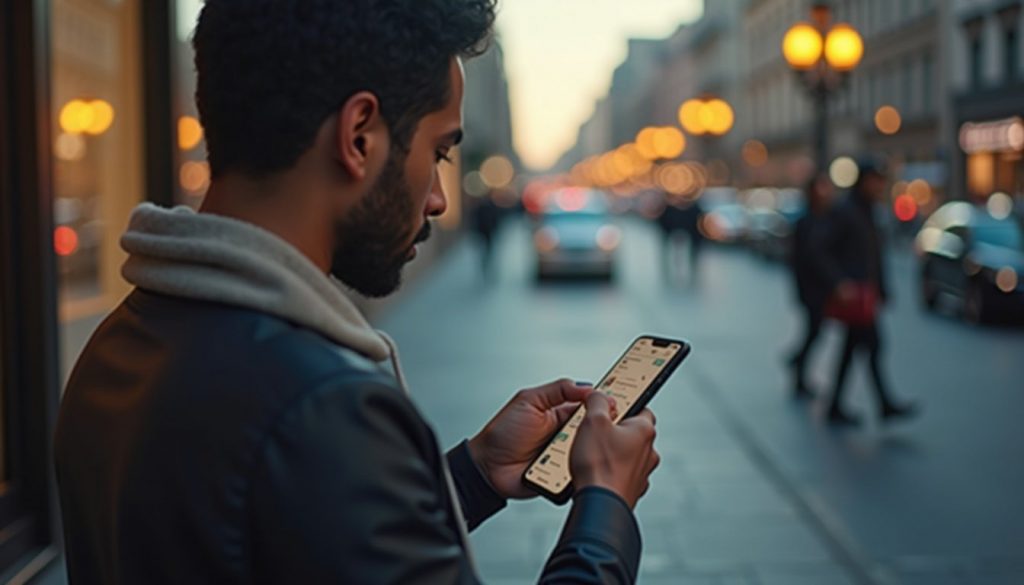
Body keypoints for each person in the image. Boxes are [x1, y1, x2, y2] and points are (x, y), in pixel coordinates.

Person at [53, 2, 660, 583]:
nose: (439, 199)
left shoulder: (120, 342)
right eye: (439, 152)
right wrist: (604, 506)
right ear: (360, 135)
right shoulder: (322, 403)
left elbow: (302, 540)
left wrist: (474, 473)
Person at [812, 159, 919, 426]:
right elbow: (819, 249)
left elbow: (873, 255)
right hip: (854, 295)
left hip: (865, 294)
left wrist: (881, 288)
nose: (880, 186)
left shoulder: (869, 212)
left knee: (854, 350)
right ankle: (882, 404)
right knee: (872, 346)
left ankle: (839, 405)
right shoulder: (846, 212)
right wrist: (839, 282)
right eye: (876, 181)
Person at [786, 173, 835, 399]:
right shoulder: (806, 222)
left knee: (814, 332)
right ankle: (797, 365)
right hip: (811, 289)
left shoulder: (825, 219)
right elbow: (803, 258)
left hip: (820, 289)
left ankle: (796, 361)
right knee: (814, 331)